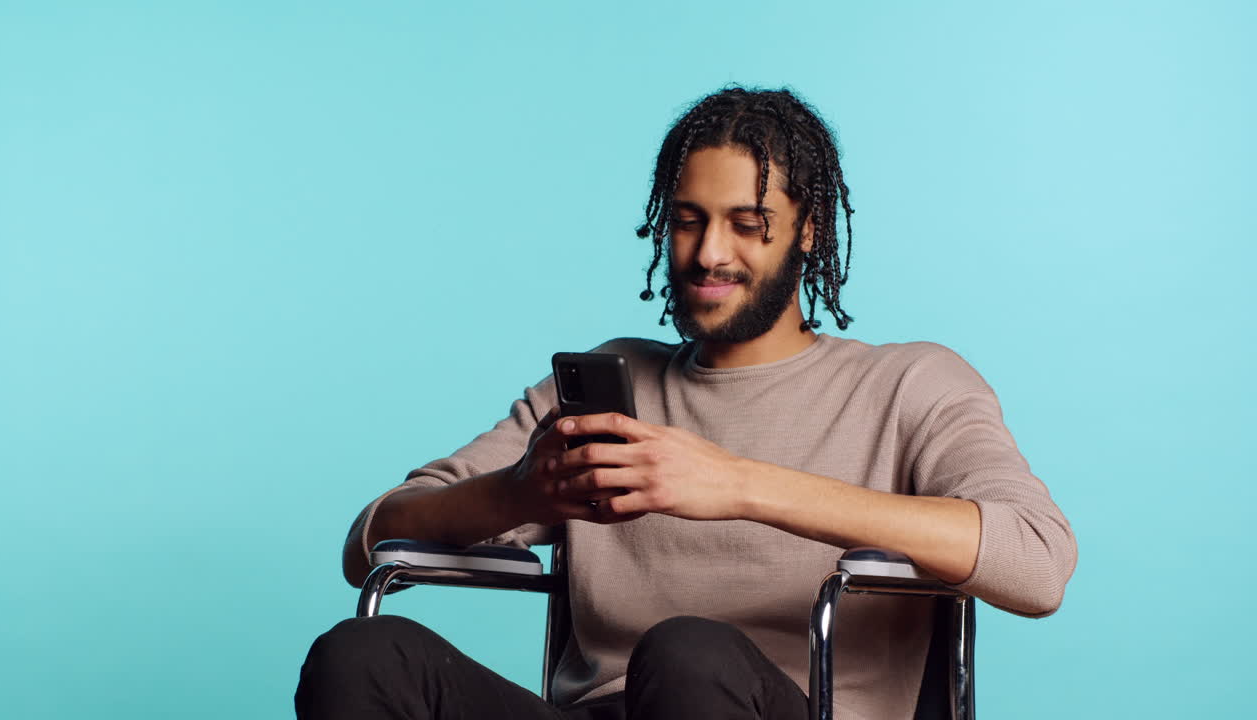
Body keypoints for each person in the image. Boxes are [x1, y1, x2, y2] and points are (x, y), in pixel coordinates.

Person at [295, 86, 1078, 720]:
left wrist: (738, 485)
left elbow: (1038, 561)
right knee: (363, 656)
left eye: (748, 225)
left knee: (686, 654)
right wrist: (521, 492)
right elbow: (369, 543)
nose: (709, 254)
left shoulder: (910, 385)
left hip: (767, 705)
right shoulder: (609, 381)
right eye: (688, 222)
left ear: (806, 233)